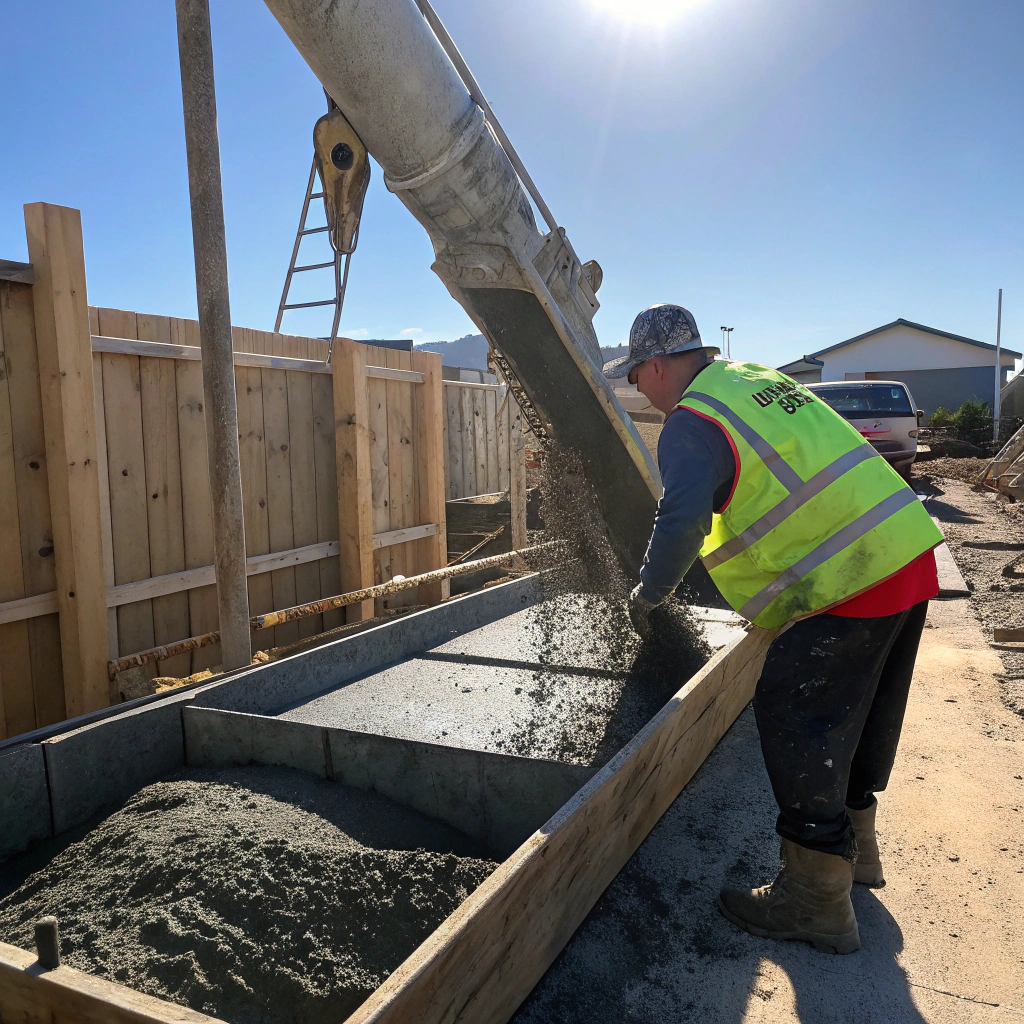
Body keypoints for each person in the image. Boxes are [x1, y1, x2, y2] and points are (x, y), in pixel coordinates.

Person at [606, 304, 942, 955]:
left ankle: (815, 899)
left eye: (636, 376)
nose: (637, 390)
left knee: (797, 711)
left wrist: (648, 595)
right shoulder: (751, 380)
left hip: (851, 576)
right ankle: (857, 855)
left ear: (657, 365)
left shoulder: (692, 421)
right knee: (860, 710)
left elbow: (681, 522)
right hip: (901, 553)